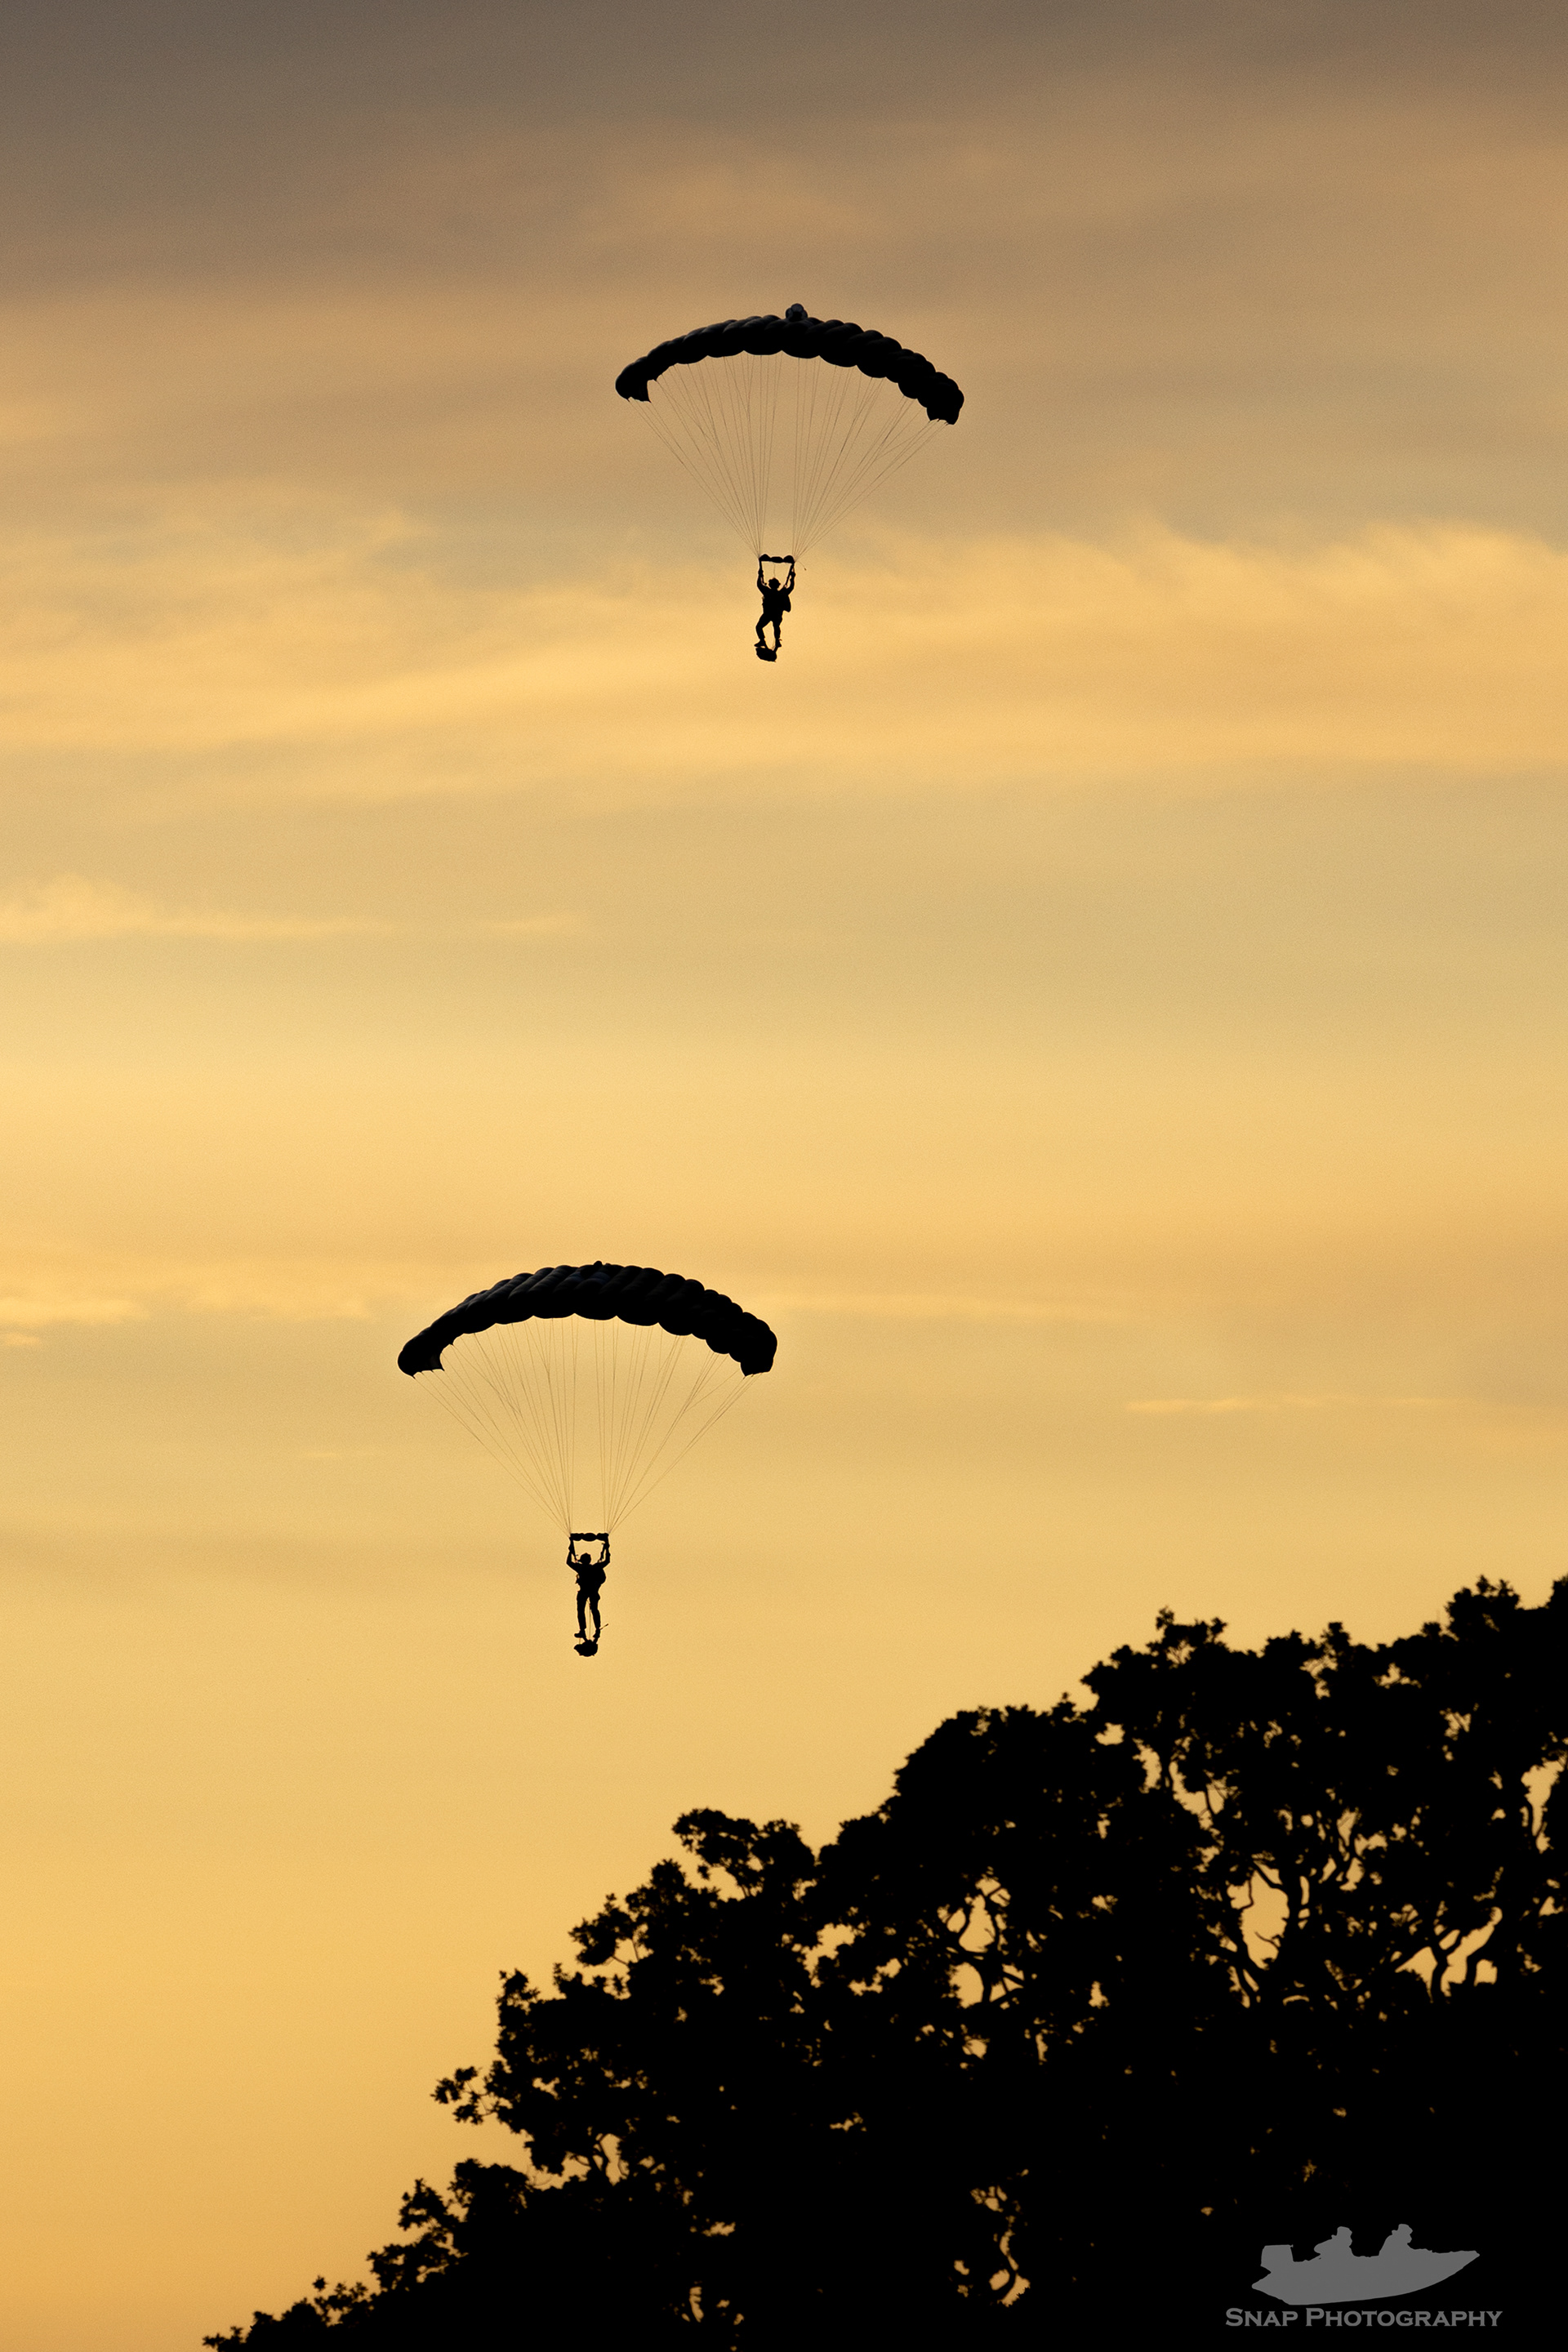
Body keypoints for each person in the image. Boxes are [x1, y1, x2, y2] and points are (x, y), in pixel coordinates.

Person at [568, 1533, 609, 1651]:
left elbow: (569, 1562)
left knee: (581, 1610)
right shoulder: (596, 1567)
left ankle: (583, 1630)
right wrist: (607, 1546)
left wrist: (570, 1547)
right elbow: (607, 1561)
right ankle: (596, 1630)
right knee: (594, 1609)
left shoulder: (581, 1568)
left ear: (582, 1560)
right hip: (592, 1592)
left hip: (585, 1592)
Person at [755, 555, 795, 660]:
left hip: (768, 614)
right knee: (776, 626)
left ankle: (763, 639)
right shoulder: (782, 593)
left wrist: (760, 574)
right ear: (778, 585)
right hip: (776, 614)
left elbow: (759, 585)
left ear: (770, 585)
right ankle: (776, 640)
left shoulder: (767, 592)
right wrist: (792, 578)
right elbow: (790, 588)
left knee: (759, 627)